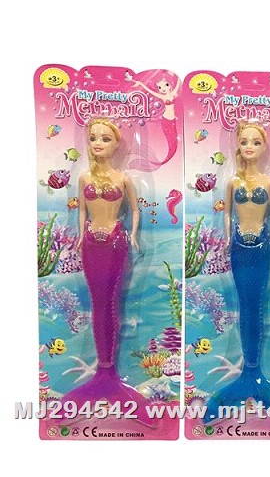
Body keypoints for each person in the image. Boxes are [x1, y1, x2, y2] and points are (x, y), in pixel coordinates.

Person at [204, 121, 270, 425]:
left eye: (256, 142)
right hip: (238, 247)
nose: (249, 147)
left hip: (262, 246)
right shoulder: (232, 182)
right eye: (244, 141)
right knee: (244, 306)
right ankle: (248, 371)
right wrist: (225, 239)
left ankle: (255, 371)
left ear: (264, 146)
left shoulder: (269, 181)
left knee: (257, 306)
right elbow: (227, 214)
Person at [61, 117, 153, 426]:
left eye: (105, 138)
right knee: (97, 303)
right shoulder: (84, 177)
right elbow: (81, 211)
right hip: (90, 243)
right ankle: (102, 369)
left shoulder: (122, 178)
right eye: (93, 138)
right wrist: (78, 237)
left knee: (111, 303)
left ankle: (109, 370)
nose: (98, 143)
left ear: (116, 144)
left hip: (115, 241)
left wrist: (134, 235)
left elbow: (136, 209)